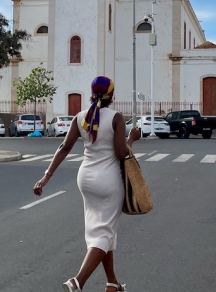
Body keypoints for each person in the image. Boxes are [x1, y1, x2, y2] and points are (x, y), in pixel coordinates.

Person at [33, 76, 141, 292]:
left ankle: (112, 283)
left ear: (92, 93)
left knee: (101, 231)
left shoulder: (80, 117)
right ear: (111, 95)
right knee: (104, 232)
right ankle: (77, 282)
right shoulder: (116, 118)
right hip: (108, 180)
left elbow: (64, 147)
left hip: (86, 179)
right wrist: (131, 139)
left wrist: (46, 176)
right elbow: (121, 153)